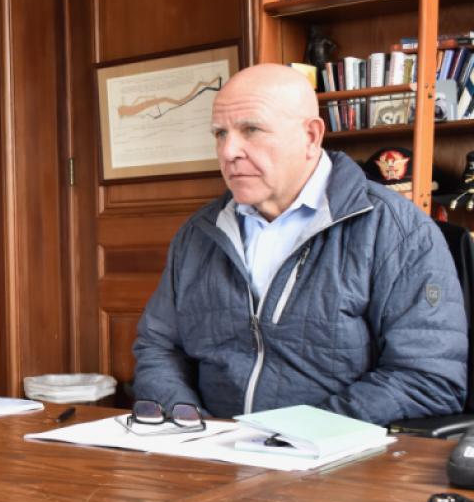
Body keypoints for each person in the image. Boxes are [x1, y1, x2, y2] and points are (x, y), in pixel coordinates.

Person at [132, 64, 467, 426]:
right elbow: (158, 347)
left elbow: (427, 379)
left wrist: (288, 437)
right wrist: (190, 423)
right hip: (210, 453)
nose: (229, 151)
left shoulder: (398, 230)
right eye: (220, 134)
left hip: (340, 463)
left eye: (251, 130)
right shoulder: (197, 234)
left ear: (311, 136)